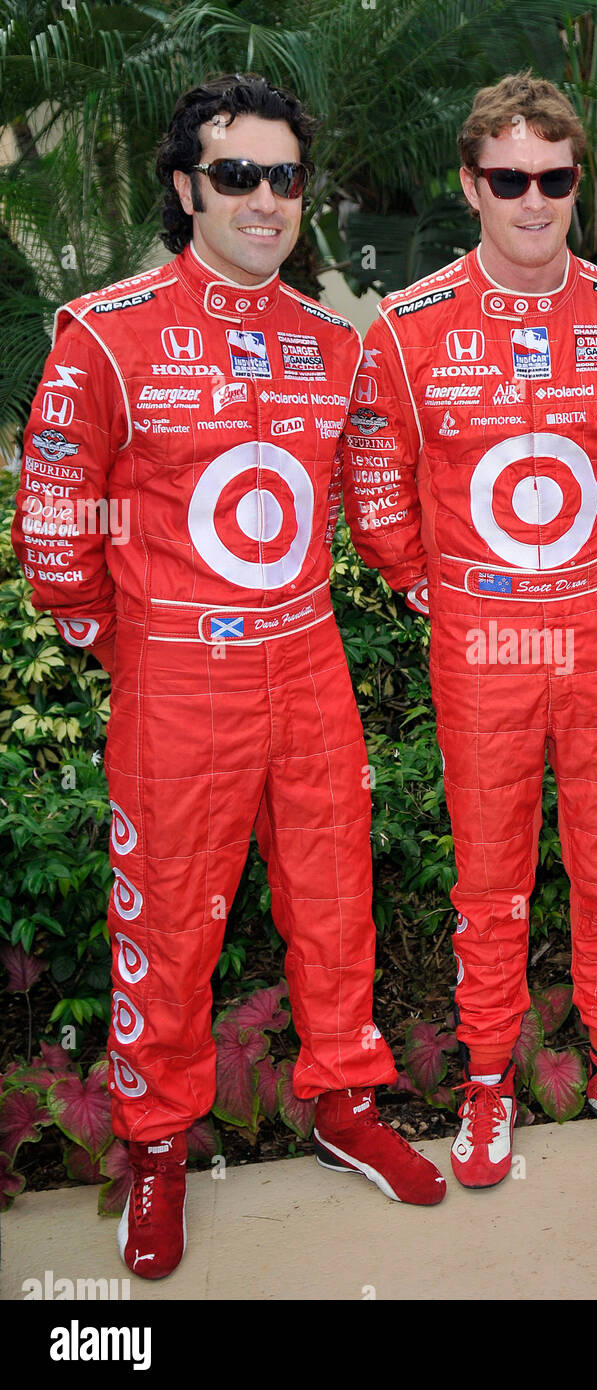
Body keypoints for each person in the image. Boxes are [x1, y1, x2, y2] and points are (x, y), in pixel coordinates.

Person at [12, 73, 446, 1280]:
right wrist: (121, 636)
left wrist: (442, 570)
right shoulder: (105, 330)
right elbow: (57, 519)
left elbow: (371, 500)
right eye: (237, 174)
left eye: (284, 176)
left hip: (306, 657)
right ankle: (154, 1143)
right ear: (184, 187)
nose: (265, 199)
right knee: (168, 914)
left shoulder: (330, 341)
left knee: (333, 893)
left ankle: (346, 1100)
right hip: (175, 671)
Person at [342, 72, 597, 1188]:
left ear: (575, 184)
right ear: (469, 184)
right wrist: (422, 586)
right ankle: (487, 1076)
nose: (531, 200)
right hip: (480, 639)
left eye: (552, 178)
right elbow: (375, 483)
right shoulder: (405, 327)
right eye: (508, 179)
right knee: (488, 873)